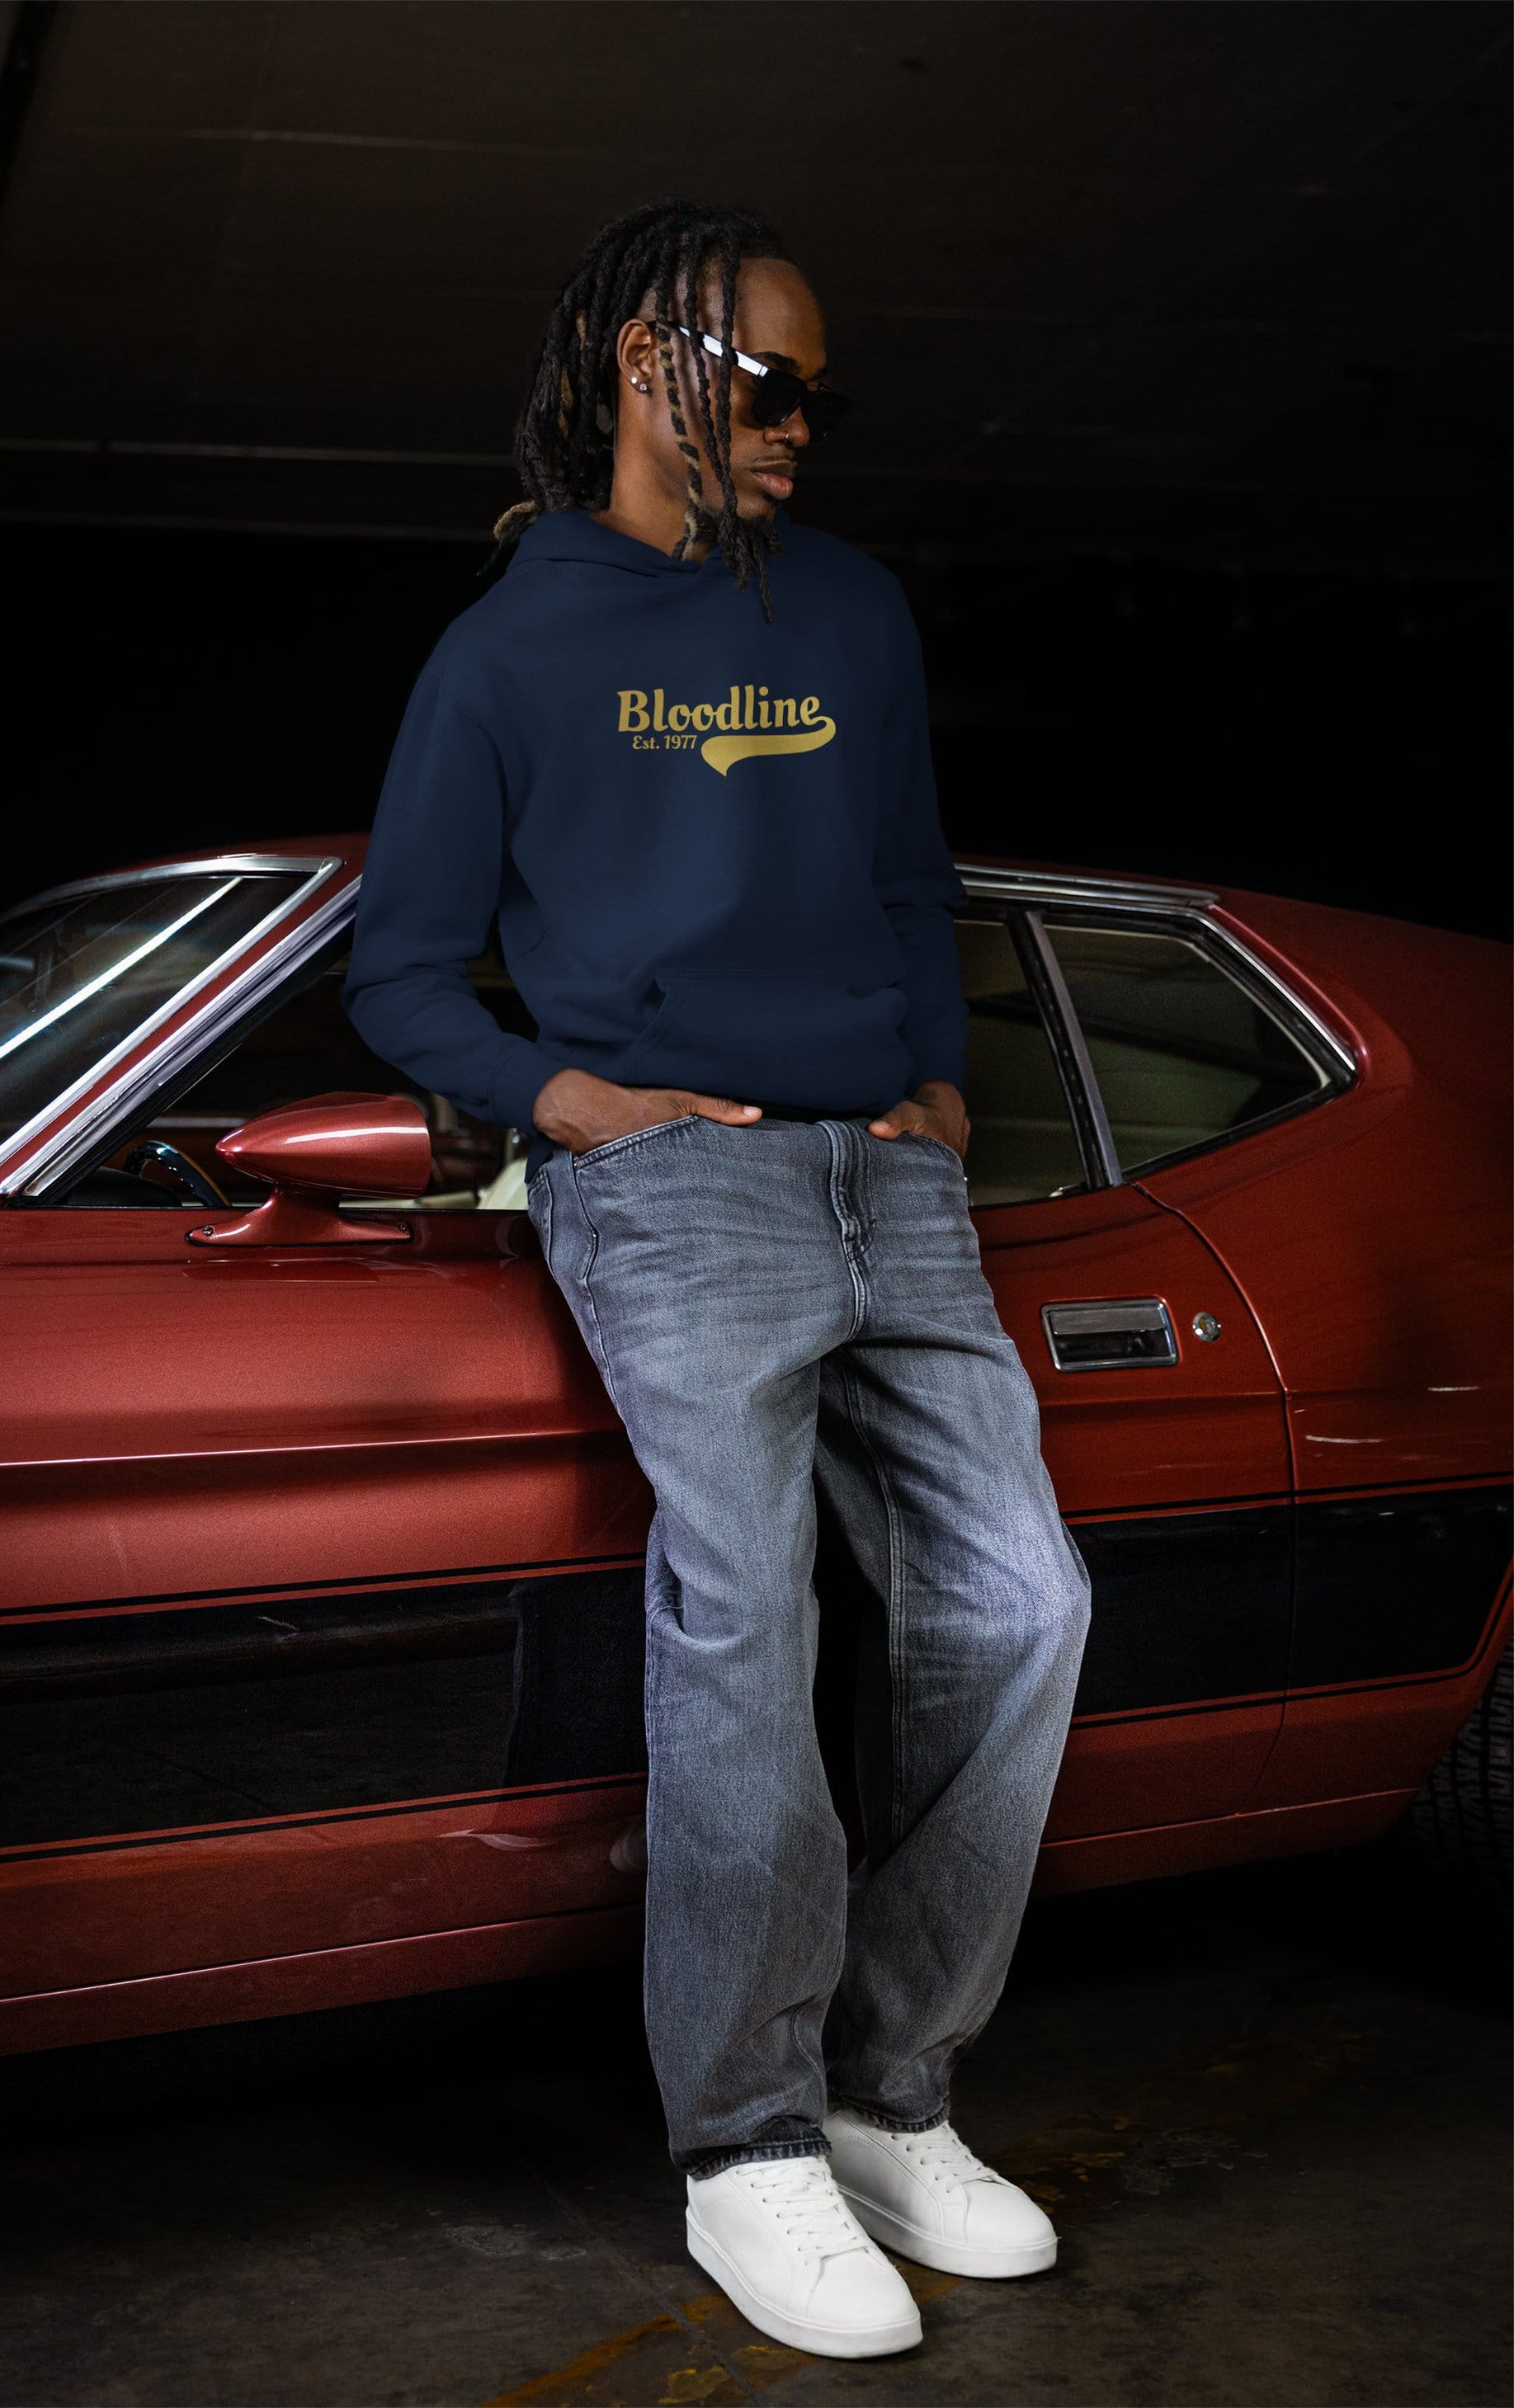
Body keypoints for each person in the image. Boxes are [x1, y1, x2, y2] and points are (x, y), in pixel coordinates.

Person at [342, 197, 1092, 2362]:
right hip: (674, 1191)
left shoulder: (848, 610)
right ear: (645, 365)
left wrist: (935, 1079)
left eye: (817, 395)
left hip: (888, 1181)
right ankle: (744, 2144)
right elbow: (401, 964)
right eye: (767, 383)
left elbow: (896, 869)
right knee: (746, 1634)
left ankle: (888, 2092)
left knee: (1020, 1608)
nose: (799, 428)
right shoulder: (505, 651)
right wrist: (563, 1103)